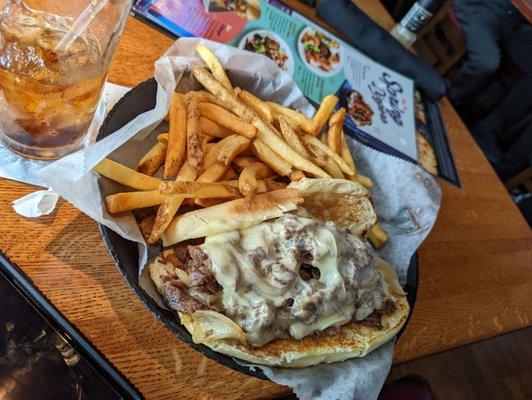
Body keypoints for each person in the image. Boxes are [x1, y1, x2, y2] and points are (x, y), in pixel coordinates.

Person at [447, 0, 532, 105]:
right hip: (482, 9)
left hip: (513, 23)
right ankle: (447, 95)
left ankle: (496, 119)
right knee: (486, 62)